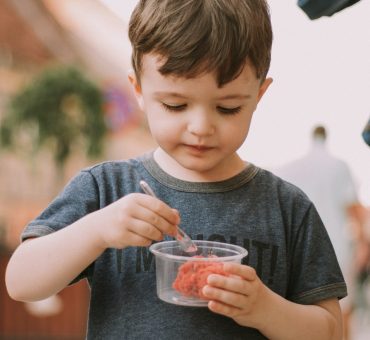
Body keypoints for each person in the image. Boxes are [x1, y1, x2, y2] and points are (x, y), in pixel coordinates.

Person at [5, 1, 346, 339]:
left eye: (227, 108)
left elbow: (330, 331)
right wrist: (98, 229)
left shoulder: (287, 208)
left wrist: (265, 309)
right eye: (175, 105)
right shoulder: (107, 189)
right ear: (138, 89)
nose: (200, 127)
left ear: (259, 94)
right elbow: (21, 282)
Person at [275, 125, 369, 340]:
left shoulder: (291, 167)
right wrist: (364, 245)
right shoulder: (339, 166)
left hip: (297, 247)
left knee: (300, 310)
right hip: (336, 246)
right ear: (326, 138)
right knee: (343, 311)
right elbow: (353, 209)